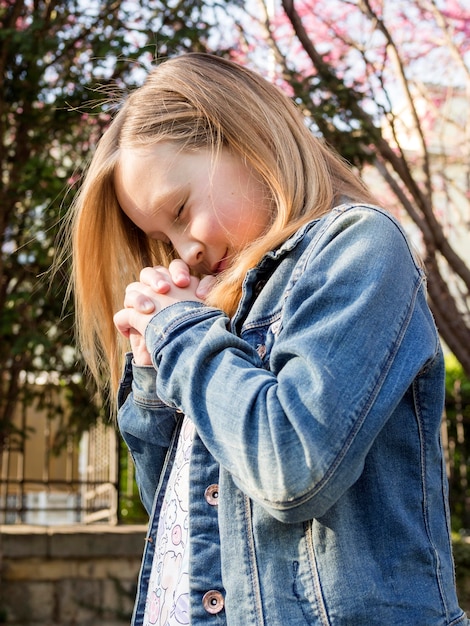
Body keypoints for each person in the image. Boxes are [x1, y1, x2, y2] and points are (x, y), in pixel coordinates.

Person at [69, 53, 469, 626]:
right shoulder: (219, 313)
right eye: (163, 237)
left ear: (243, 137)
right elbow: (185, 518)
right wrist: (156, 378)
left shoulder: (359, 248)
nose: (185, 251)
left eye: (181, 210)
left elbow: (292, 468)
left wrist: (183, 338)